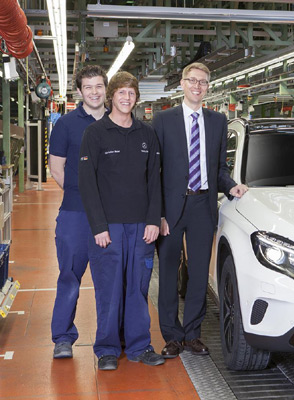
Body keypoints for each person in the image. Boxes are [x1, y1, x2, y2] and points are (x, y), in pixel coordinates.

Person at [153, 62, 248, 359]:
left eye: (203, 82)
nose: (197, 86)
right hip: (171, 207)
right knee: (168, 272)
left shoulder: (218, 121)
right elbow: (155, 171)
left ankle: (192, 334)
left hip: (202, 205)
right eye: (192, 80)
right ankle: (172, 336)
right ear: (182, 84)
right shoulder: (163, 120)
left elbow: (219, 168)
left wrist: (231, 186)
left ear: (208, 87)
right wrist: (158, 213)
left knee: (198, 274)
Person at [79, 71, 164, 370]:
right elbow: (87, 184)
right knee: (109, 288)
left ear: (136, 97)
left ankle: (140, 345)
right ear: (111, 96)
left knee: (138, 288)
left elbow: (154, 181)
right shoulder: (95, 134)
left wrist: (153, 219)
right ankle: (107, 349)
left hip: (141, 226)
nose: (126, 98)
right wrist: (98, 227)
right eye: (121, 92)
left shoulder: (146, 134)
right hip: (110, 227)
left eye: (131, 93)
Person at [49, 65, 107, 359]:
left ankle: (110, 338)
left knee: (109, 279)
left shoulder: (118, 120)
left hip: (113, 215)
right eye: (88, 87)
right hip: (75, 213)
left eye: (99, 86)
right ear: (80, 91)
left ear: (106, 89)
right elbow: (56, 168)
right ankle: (62, 337)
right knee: (70, 275)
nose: (94, 92)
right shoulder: (66, 124)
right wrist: (80, 193)